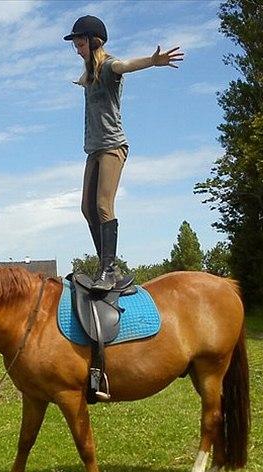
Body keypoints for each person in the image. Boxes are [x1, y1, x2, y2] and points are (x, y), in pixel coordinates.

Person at [64, 15, 184, 291]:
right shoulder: (90, 74)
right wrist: (82, 79)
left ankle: (109, 270)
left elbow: (125, 65)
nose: (78, 49)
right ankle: (108, 267)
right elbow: (86, 76)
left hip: (112, 147)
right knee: (87, 208)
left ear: (95, 42)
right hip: (94, 149)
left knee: (103, 206)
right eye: (76, 45)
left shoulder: (108, 67)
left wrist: (152, 61)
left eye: (81, 43)